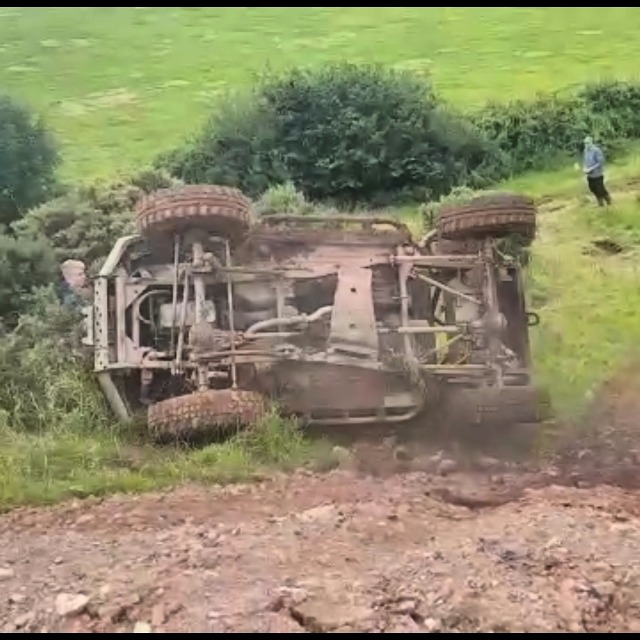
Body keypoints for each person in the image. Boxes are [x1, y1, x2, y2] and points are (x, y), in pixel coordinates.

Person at [582, 136, 612, 206]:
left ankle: (606, 200)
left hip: (597, 174)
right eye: (585, 143)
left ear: (591, 143)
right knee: (592, 188)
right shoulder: (585, 151)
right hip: (590, 175)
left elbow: (600, 162)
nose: (586, 145)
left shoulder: (596, 150)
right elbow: (585, 161)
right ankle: (601, 200)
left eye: (587, 143)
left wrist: (591, 168)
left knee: (600, 188)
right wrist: (584, 168)